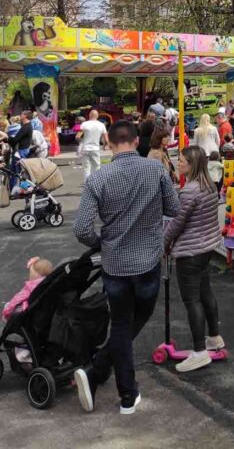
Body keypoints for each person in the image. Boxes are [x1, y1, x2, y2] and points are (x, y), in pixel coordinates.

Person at [73, 120, 180, 415]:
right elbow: (174, 208)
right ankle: (119, 390)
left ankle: (111, 382)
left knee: (121, 324)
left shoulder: (98, 178)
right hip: (147, 262)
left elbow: (82, 228)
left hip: (115, 263)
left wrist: (100, 242)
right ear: (136, 141)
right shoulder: (155, 169)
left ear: (109, 143)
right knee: (134, 321)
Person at [163, 146, 224, 372]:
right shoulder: (209, 187)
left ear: (191, 164)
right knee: (205, 292)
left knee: (192, 301)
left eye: (181, 161)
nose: (177, 163)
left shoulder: (189, 192)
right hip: (206, 247)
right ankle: (214, 337)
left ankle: (199, 352)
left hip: (190, 252)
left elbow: (176, 224)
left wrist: (163, 243)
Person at [2, 257, 53, 321]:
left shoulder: (31, 287)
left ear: (35, 273)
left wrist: (6, 313)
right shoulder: (51, 282)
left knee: (7, 305)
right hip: (44, 310)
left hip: (27, 313)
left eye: (31, 272)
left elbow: (16, 300)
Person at [77, 110, 107, 182]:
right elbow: (106, 139)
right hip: (95, 148)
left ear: (89, 115)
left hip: (85, 148)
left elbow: (77, 136)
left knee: (86, 168)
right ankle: (97, 183)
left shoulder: (84, 124)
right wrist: (104, 146)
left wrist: (81, 142)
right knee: (97, 167)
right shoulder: (101, 125)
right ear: (97, 116)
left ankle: (87, 185)